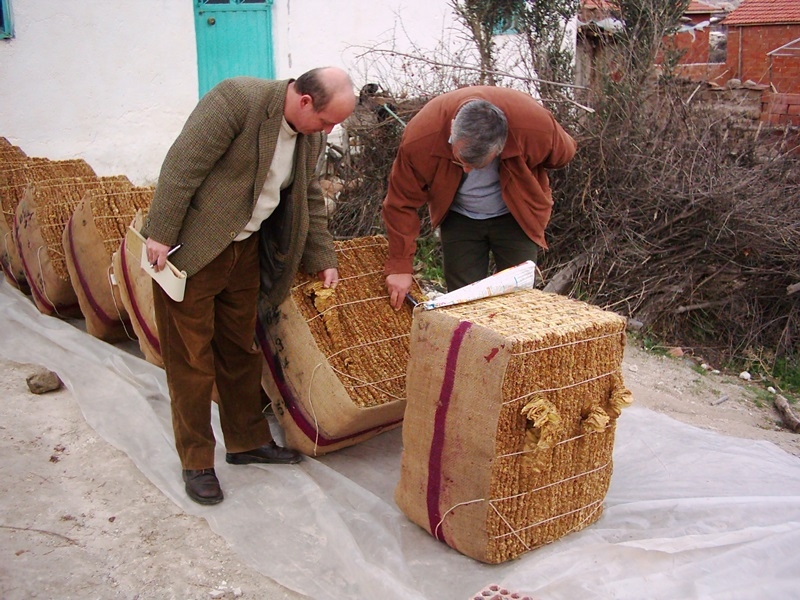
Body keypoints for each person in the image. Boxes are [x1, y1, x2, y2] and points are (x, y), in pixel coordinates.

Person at [141, 67, 357, 505]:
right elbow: (183, 165)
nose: (329, 131)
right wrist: (160, 231)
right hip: (194, 250)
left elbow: (309, 195)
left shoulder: (308, 133)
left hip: (246, 252)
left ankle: (245, 442)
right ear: (303, 101)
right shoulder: (237, 100)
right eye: (327, 120)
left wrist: (320, 257)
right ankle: (197, 460)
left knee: (240, 349)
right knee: (191, 359)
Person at [382, 86, 577, 310]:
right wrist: (400, 266)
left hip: (517, 216)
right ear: (453, 131)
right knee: (462, 304)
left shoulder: (534, 126)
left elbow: (564, 154)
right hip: (459, 217)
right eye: (459, 160)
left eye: (475, 164)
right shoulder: (421, 137)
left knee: (520, 302)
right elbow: (400, 203)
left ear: (501, 146)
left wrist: (525, 166)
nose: (465, 170)